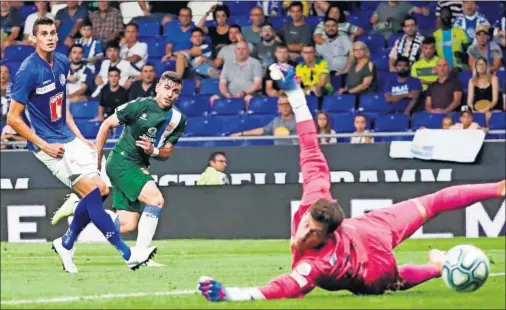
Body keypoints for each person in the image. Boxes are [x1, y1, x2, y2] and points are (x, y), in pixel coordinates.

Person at [197, 63, 506, 302]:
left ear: (328, 236)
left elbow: (285, 288)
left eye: (313, 234)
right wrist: (293, 91)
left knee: (394, 278)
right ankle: (456, 243)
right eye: (306, 225)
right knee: (426, 218)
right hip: (368, 228)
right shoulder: (314, 198)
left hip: (371, 264)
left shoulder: (321, 263)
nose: (304, 234)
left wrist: (229, 294)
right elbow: (309, 144)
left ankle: (447, 256)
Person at [7, 17, 155, 273]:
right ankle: (127, 253)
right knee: (92, 193)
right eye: (44, 34)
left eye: (53, 32)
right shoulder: (28, 71)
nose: (50, 37)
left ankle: (66, 242)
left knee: (102, 190)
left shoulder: (62, 62)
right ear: (35, 39)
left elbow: (61, 104)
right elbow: (12, 118)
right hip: (49, 147)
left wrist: (79, 136)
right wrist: (44, 145)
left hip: (68, 138)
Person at [53, 71, 187, 269]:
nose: (170, 94)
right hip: (121, 162)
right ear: (158, 87)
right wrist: (97, 158)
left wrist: (154, 150)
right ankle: (141, 256)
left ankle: (78, 208)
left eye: (175, 91)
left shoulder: (177, 119)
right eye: (166, 88)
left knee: (126, 225)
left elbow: (167, 153)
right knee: (156, 199)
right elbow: (106, 125)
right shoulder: (139, 105)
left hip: (139, 164)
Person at [211, 41, 263, 109]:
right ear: (235, 51)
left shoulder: (255, 63)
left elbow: (258, 84)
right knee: (214, 98)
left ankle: (246, 118)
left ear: (248, 51)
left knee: (248, 99)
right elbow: (222, 83)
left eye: (243, 49)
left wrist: (244, 93)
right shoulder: (227, 64)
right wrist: (226, 94)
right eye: (238, 49)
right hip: (229, 94)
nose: (241, 51)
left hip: (248, 94)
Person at [230, 95, 297, 146]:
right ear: (278, 107)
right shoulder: (276, 120)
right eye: (282, 105)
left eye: (287, 104)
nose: (285, 107)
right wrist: (241, 134)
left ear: (291, 105)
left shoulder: (299, 120)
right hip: (278, 152)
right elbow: (262, 130)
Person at [433, 6, 468, 70]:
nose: (446, 16)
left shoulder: (460, 31)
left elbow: (468, 52)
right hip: (442, 71)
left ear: (451, 16)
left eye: (448, 14)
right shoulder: (435, 35)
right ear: (440, 17)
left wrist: (462, 56)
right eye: (443, 14)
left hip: (459, 70)